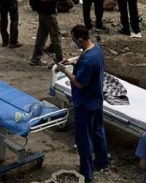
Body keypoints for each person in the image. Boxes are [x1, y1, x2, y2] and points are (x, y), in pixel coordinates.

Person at [57, 25, 109, 182]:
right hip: (97, 99)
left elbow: (79, 83)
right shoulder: (96, 50)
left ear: (80, 39)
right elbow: (84, 58)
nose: (73, 43)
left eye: (74, 40)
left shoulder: (87, 61)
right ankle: (102, 161)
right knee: (98, 130)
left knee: (84, 139)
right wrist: (73, 61)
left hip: (85, 103)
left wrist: (65, 71)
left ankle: (87, 173)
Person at [30, 0, 66, 66]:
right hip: (48, 10)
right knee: (56, 35)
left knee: (42, 34)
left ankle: (36, 58)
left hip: (42, 10)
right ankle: (60, 61)